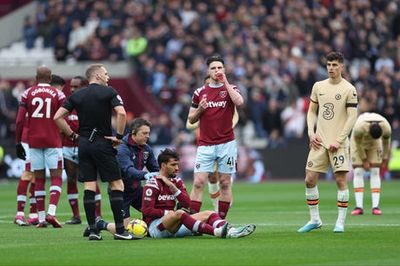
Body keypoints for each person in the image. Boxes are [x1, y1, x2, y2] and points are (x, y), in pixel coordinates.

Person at [54, 63, 133, 240]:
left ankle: (93, 230)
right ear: (97, 76)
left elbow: (57, 117)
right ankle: (120, 230)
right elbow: (121, 113)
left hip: (83, 144)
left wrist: (72, 135)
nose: (108, 77)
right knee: (117, 185)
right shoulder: (109, 91)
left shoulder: (77, 95)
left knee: (89, 186)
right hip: (102, 142)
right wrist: (119, 137)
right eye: (105, 74)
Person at [298, 52, 358, 233]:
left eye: (334, 65)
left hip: (338, 143)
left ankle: (340, 222)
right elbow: (311, 112)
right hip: (319, 142)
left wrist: (339, 140)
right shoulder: (318, 86)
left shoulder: (349, 89)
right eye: (329, 65)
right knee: (309, 179)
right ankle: (315, 220)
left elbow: (352, 117)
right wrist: (311, 133)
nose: (331, 68)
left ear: (342, 67)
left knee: (340, 181)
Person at [141, 148, 256, 239]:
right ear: (163, 165)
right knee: (179, 213)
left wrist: (173, 188)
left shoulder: (176, 181)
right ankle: (217, 232)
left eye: (177, 165)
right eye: (173, 165)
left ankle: (231, 231)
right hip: (156, 228)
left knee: (209, 214)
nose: (177, 168)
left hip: (175, 225)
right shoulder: (152, 183)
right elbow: (146, 211)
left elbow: (187, 204)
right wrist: (168, 212)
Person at [187, 55, 244, 219]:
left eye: (219, 67)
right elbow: (191, 119)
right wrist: (200, 110)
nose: (217, 71)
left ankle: (220, 221)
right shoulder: (199, 92)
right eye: (213, 68)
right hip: (205, 144)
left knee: (225, 183)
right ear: (208, 71)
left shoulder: (231, 88)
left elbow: (239, 102)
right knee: (198, 183)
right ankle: (193, 223)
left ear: (224, 70)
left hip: (227, 144)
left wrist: (225, 82)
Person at [15, 66, 66, 228]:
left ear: (36, 78)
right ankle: (51, 213)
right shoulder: (58, 94)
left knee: (38, 179)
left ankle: (41, 218)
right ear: (50, 78)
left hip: (33, 141)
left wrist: (18, 142)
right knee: (56, 177)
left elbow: (19, 121)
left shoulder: (27, 93)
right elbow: (64, 117)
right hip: (53, 140)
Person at [91, 118, 159, 235]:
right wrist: (146, 175)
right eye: (144, 133)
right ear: (133, 132)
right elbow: (128, 170)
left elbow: (156, 169)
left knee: (155, 217)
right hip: (120, 193)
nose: (147, 136)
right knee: (126, 230)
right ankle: (100, 224)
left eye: (148, 133)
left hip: (137, 191)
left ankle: (143, 225)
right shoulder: (122, 148)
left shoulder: (147, 149)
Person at [56, 76, 103, 225]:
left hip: (86, 147)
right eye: (71, 87)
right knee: (71, 179)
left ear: (85, 87)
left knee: (91, 181)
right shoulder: (67, 104)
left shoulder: (90, 104)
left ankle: (98, 216)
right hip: (68, 148)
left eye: (76, 87)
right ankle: (76, 216)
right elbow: (58, 122)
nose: (72, 89)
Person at [350, 112, 391, 216]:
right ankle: (359, 207)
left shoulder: (386, 127)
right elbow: (358, 144)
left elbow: (386, 142)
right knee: (358, 171)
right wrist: (364, 160)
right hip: (358, 142)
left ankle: (375, 207)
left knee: (375, 171)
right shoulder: (359, 128)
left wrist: (385, 158)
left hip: (375, 144)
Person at [14, 98, 37, 226]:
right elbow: (19, 121)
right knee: (28, 174)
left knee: (35, 176)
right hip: (29, 140)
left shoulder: (29, 96)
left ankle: (33, 214)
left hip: (37, 140)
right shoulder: (31, 98)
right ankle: (20, 214)